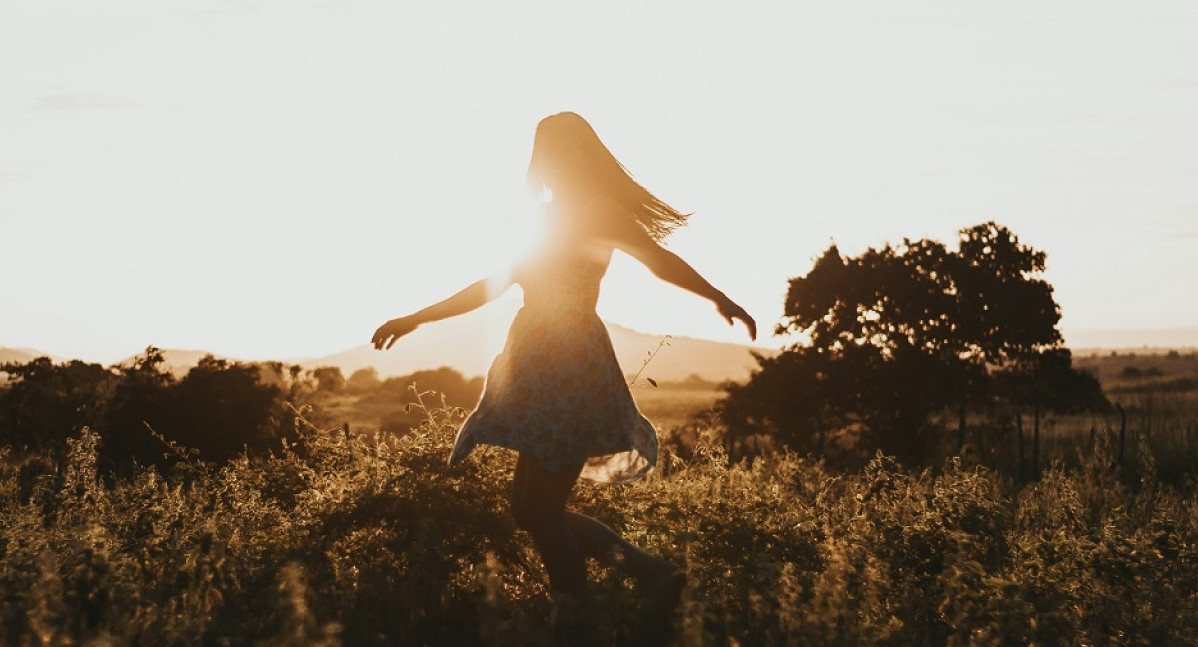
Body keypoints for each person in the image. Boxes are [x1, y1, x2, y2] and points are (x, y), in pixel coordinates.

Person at [371, 112, 756, 640]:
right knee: (528, 508)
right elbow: (493, 283)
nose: (549, 163)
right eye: (544, 153)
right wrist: (417, 317)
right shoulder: (542, 217)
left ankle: (579, 619)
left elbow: (659, 262)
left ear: (581, 156)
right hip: (534, 368)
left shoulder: (601, 211)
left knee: (542, 510)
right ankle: (647, 574)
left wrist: (719, 298)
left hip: (572, 367)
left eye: (559, 152)